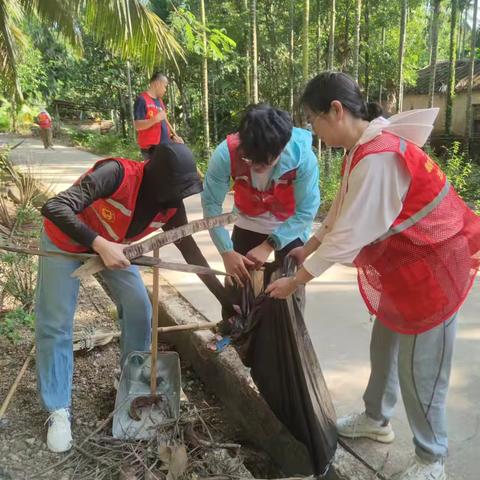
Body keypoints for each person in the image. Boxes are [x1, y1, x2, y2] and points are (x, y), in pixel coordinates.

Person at [266, 72, 480, 480]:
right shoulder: (361, 150)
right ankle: (377, 418)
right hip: (406, 267)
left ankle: (432, 459)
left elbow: (349, 235)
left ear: (337, 111)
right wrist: (309, 246)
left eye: (313, 119)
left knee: (422, 370)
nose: (312, 130)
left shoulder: (379, 157)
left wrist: (296, 281)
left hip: (431, 272)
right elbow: (342, 209)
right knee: (384, 349)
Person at [37, 143, 229, 453]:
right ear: (155, 180)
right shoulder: (116, 175)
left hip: (112, 249)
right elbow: (55, 207)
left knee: (140, 307)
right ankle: (58, 409)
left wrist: (224, 297)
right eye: (175, 190)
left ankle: (130, 381)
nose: (178, 199)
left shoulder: (170, 204)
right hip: (65, 242)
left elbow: (190, 250)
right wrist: (99, 243)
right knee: (56, 322)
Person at [201, 103, 320, 290]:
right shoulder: (225, 154)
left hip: (290, 227)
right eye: (250, 159)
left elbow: (306, 210)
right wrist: (226, 251)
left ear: (282, 148)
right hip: (246, 220)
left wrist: (268, 246)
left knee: (287, 300)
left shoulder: (303, 157)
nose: (256, 167)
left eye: (266, 162)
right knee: (237, 294)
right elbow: (211, 204)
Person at [134, 72, 183, 160]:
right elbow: (137, 125)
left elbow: (163, 126)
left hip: (164, 147)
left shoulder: (159, 101)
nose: (165, 90)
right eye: (165, 86)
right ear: (157, 84)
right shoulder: (142, 100)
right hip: (151, 150)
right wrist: (155, 119)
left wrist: (173, 137)